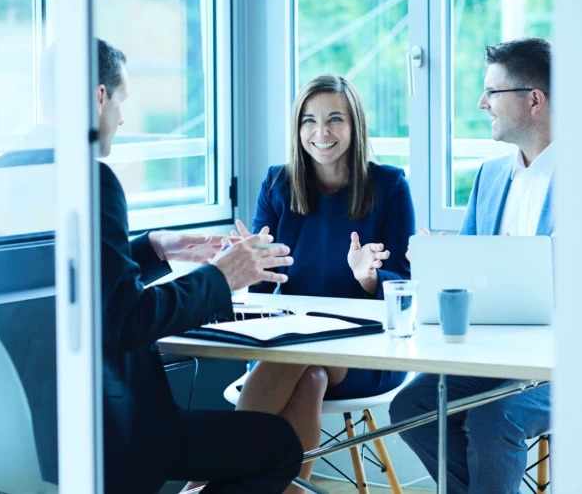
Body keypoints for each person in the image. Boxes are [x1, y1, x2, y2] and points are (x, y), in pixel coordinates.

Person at [0, 39, 303, 494]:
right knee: (279, 445)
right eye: (121, 100)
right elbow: (127, 320)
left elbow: (72, 284)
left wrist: (153, 248)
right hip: (105, 433)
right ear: (99, 96)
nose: (122, 118)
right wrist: (222, 277)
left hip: (18, 433)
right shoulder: (88, 178)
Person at [234, 74, 415, 489]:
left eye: (335, 119)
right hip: (291, 346)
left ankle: (223, 475)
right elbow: (262, 291)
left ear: (355, 126)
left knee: (301, 352)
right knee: (309, 371)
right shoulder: (278, 184)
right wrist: (251, 265)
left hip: (367, 347)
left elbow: (405, 287)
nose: (321, 132)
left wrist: (369, 277)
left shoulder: (389, 186)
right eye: (308, 121)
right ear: (297, 129)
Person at [389, 37, 553, 494]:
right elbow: (471, 272)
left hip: (561, 362)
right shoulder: (490, 175)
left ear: (534, 100)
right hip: (492, 353)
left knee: (492, 417)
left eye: (492, 92)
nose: (482, 104)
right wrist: (438, 257)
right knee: (412, 405)